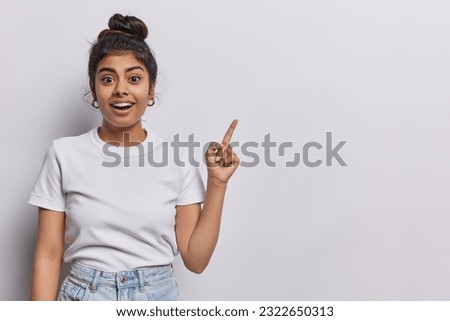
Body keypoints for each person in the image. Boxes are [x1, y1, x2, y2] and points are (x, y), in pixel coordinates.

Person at [28, 13, 239, 301]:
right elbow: (48, 255)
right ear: (94, 89)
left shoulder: (176, 159)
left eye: (134, 78)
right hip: (84, 297)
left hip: (157, 297)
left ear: (151, 90)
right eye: (107, 79)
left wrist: (217, 183)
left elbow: (196, 259)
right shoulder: (64, 154)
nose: (121, 90)